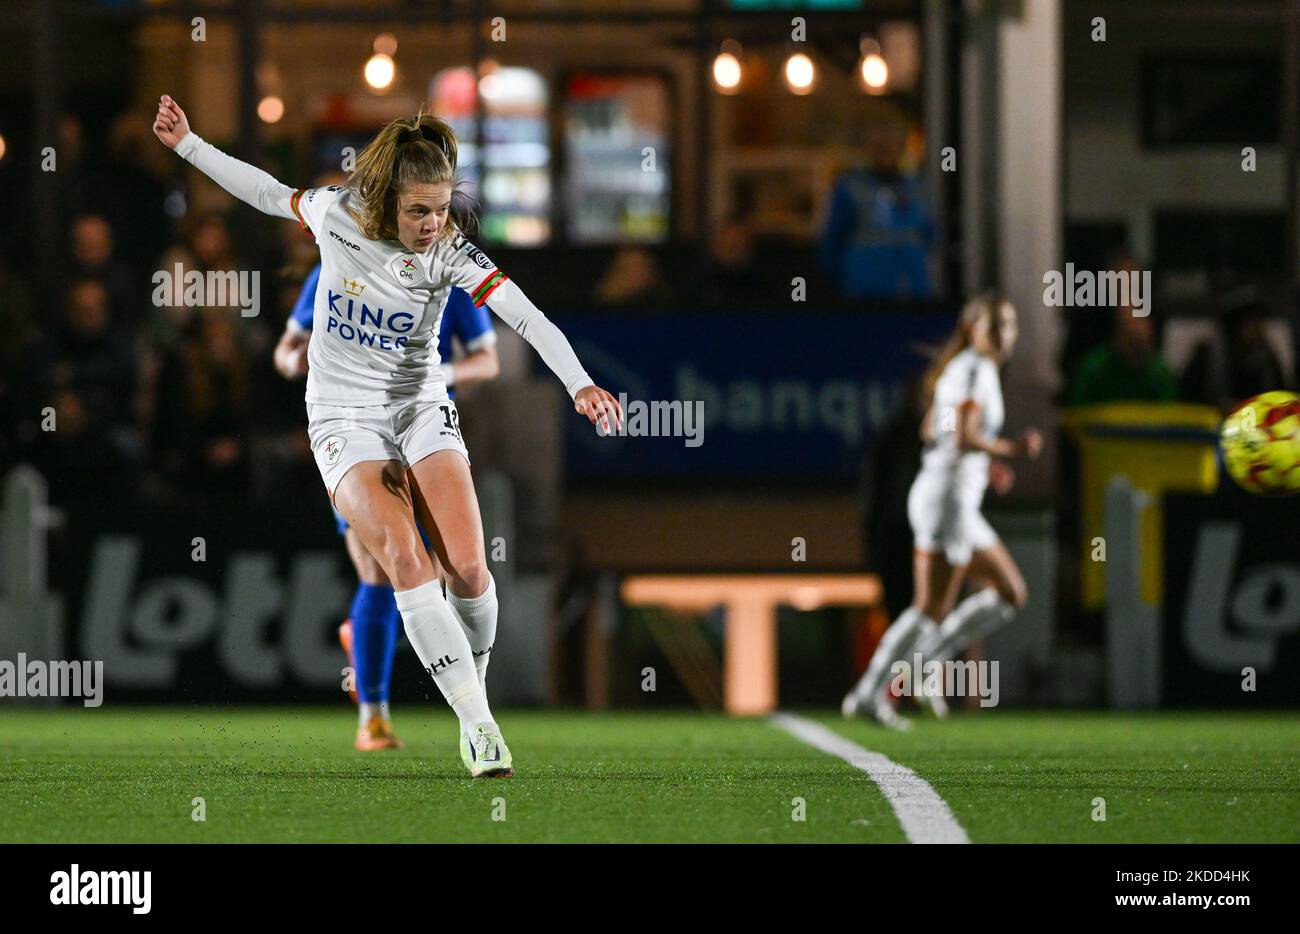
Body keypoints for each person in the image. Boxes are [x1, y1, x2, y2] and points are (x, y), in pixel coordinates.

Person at [154, 95, 622, 777]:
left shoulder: (451, 253)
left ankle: (471, 691)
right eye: (419, 212)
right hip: (343, 417)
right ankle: (478, 726)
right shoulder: (337, 215)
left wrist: (579, 383)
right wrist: (189, 146)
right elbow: (265, 191)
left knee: (469, 569)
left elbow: (527, 318)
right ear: (385, 201)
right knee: (405, 559)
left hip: (421, 407)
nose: (434, 225)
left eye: (441, 209)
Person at [274, 263, 501, 751]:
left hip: (427, 432)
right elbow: (286, 351)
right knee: (383, 570)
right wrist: (302, 362)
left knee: (444, 574)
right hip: (355, 434)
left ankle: (367, 639)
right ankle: (373, 715)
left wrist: (447, 370)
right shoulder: (337, 263)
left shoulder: (442, 273)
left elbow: (488, 360)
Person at [842, 293, 1041, 729]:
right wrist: (1011, 449)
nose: (1003, 334)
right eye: (995, 325)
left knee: (1008, 593)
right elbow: (964, 435)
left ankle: (914, 669)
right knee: (930, 608)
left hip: (947, 497)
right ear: (972, 329)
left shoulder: (959, 369)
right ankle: (871, 691)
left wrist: (984, 466)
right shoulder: (975, 369)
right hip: (949, 501)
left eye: (1008, 325)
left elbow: (933, 428)